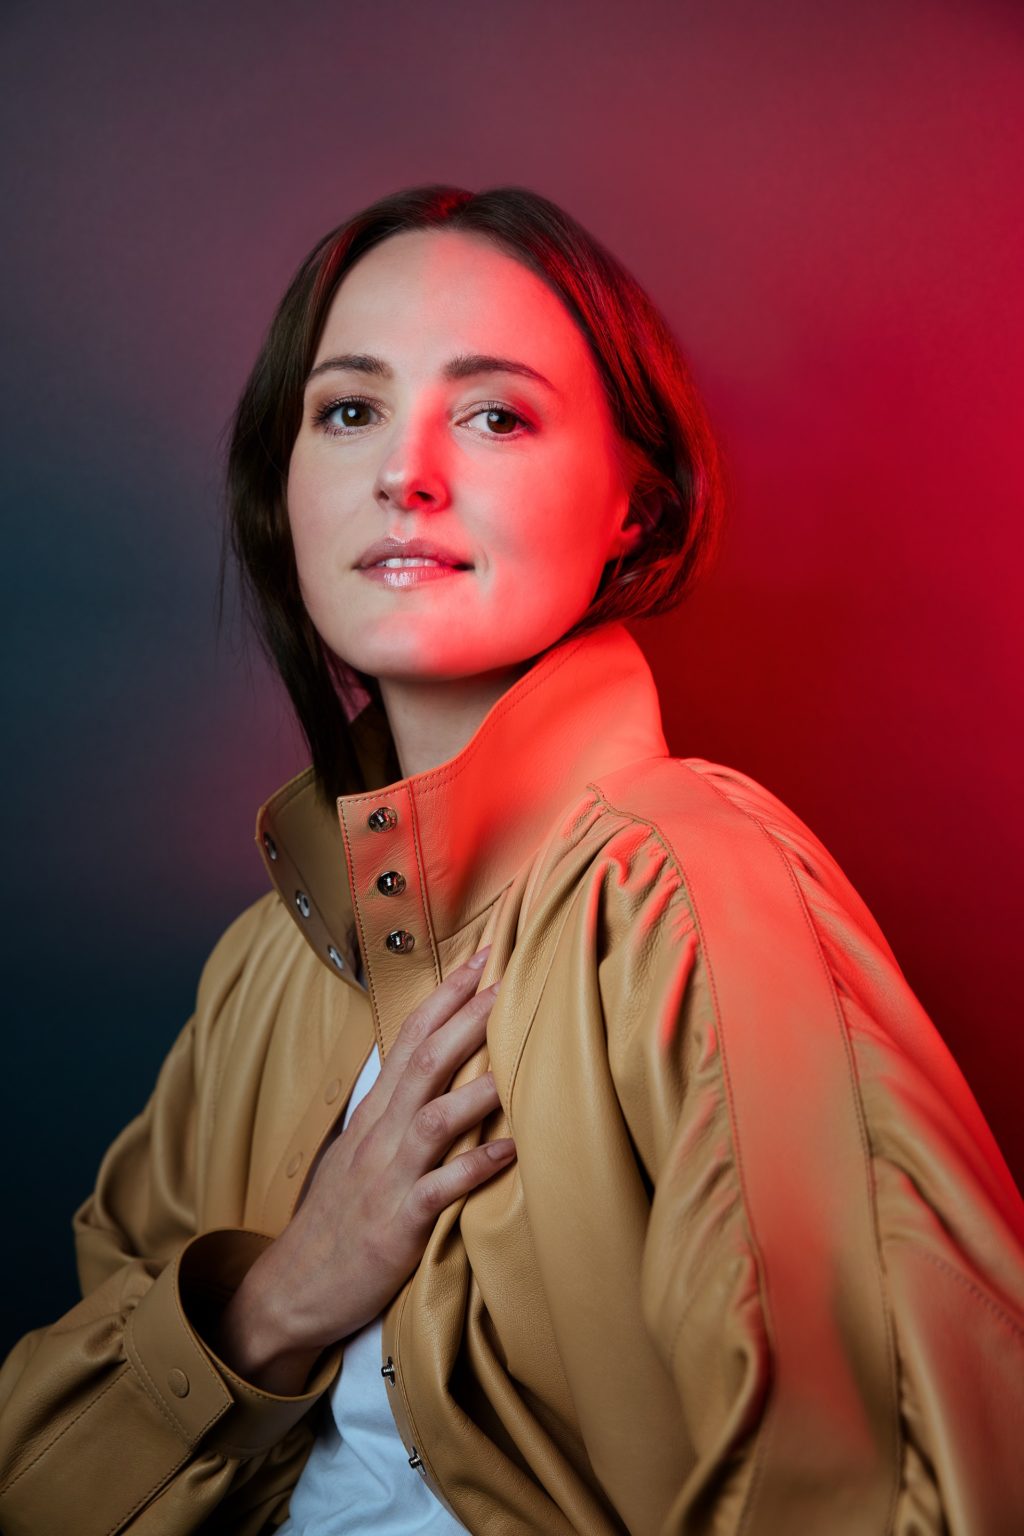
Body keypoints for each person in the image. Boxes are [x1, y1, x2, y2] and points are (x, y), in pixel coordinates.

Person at [1, 183, 1022, 1536]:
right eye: (348, 411)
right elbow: (39, 1481)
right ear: (281, 492)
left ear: (636, 507)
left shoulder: (695, 894)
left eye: (495, 415)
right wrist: (282, 1294)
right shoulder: (258, 970)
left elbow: (899, 1488)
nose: (405, 473)